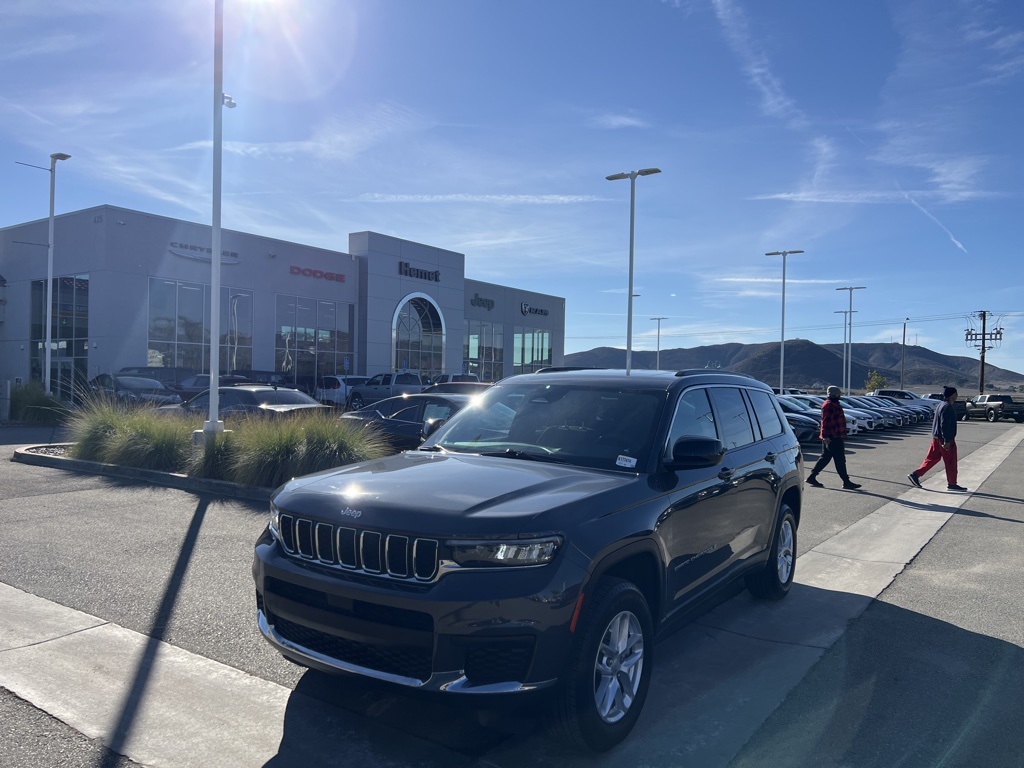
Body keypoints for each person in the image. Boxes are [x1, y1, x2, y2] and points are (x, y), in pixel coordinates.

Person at [908, 385, 966, 491]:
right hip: (945, 439)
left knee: (931, 459)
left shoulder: (941, 405)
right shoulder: (947, 407)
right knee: (951, 461)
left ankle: (916, 474)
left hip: (936, 438)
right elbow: (945, 425)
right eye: (956, 394)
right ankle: (952, 483)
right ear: (951, 395)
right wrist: (947, 440)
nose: (957, 396)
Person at [806, 385, 861, 490]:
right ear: (834, 394)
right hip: (832, 436)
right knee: (839, 459)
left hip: (835, 435)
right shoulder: (829, 405)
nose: (840, 396)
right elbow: (825, 422)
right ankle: (846, 482)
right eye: (838, 394)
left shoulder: (834, 404)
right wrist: (826, 436)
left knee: (825, 458)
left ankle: (812, 477)